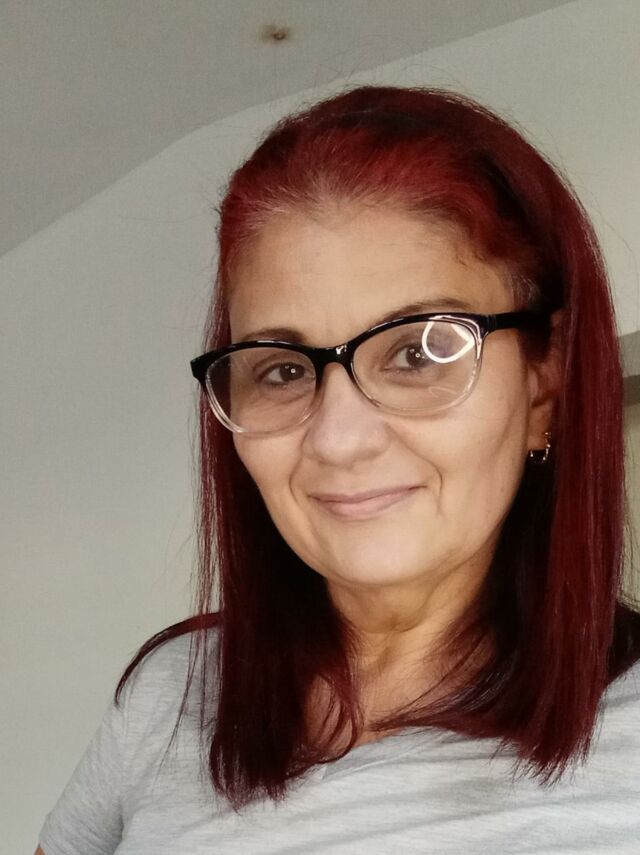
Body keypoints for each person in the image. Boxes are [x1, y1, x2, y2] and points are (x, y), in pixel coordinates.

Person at [36, 84, 640, 855]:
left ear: (543, 384)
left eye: (418, 351)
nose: (338, 439)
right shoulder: (170, 692)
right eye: (284, 369)